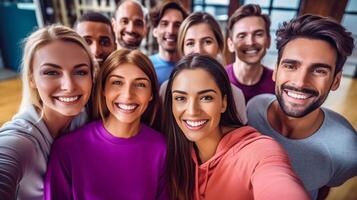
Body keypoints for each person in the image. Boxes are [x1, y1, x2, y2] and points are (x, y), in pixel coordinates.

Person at [163, 54, 309, 200]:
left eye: (206, 97)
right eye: (180, 98)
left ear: (223, 103)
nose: (192, 111)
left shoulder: (258, 151)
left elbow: (278, 183)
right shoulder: (175, 153)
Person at [247, 14, 357, 200]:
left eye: (319, 70)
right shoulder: (253, 108)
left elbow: (323, 189)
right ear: (276, 71)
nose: (300, 82)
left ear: (336, 81)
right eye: (291, 66)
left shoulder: (347, 149)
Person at [44, 49, 167, 200]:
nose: (128, 95)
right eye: (117, 82)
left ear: (151, 94)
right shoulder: (66, 150)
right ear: (103, 89)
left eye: (140, 84)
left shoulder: (163, 149)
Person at [0, 25, 94, 200]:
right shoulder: (20, 140)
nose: (69, 86)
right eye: (51, 72)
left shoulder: (87, 117)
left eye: (80, 72)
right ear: (31, 79)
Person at [161, 12, 247, 124]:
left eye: (207, 42)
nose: (199, 51)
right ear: (182, 49)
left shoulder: (235, 95)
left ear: (219, 46)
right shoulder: (166, 89)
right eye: (190, 43)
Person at [226, 4, 275, 103]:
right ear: (231, 44)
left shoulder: (277, 83)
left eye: (258, 34)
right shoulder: (218, 78)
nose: (251, 42)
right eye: (242, 36)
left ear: (268, 41)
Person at [149, 0, 188, 85]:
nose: (170, 31)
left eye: (177, 25)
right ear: (155, 31)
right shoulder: (145, 66)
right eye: (164, 24)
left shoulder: (191, 67)